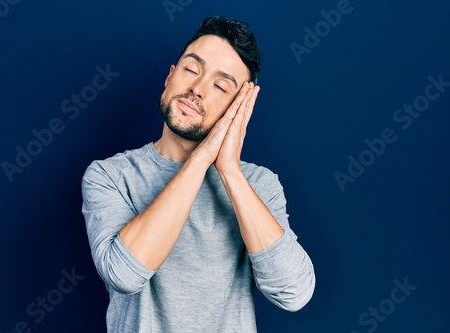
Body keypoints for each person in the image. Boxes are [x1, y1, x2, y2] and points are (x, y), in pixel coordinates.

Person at [81, 16, 315, 333]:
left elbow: (294, 293)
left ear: (239, 108)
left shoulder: (260, 184)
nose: (197, 89)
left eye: (220, 86)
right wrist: (202, 157)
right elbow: (124, 274)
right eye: (192, 69)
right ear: (170, 76)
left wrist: (229, 170)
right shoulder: (110, 175)